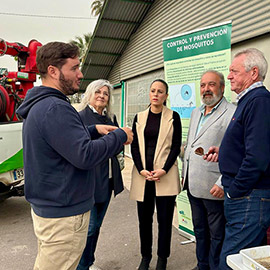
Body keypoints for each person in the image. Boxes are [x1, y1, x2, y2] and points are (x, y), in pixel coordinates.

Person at [16, 42, 133, 270]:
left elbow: (61, 141)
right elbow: (85, 155)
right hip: (63, 216)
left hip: (51, 210)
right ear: (53, 71)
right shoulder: (55, 108)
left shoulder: (42, 106)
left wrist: (93, 130)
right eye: (74, 68)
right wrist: (119, 136)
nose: (80, 74)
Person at [205, 48, 270, 270]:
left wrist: (235, 190)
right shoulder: (248, 101)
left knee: (231, 262)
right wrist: (223, 151)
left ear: (253, 73)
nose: (229, 75)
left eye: (234, 71)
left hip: (248, 198)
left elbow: (257, 158)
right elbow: (248, 144)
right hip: (247, 197)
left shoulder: (258, 101)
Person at [182, 70, 235, 270]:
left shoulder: (232, 113)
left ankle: (214, 267)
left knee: (217, 235)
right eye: (203, 85)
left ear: (222, 87)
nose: (206, 89)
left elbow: (235, 151)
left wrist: (223, 181)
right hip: (193, 185)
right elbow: (190, 145)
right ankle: (201, 265)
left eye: (211, 84)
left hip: (215, 187)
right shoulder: (196, 112)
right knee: (200, 230)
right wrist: (184, 174)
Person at [130, 79, 182, 270]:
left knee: (165, 221)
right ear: (149, 93)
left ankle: (162, 258)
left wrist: (164, 169)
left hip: (164, 176)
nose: (156, 94)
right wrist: (140, 168)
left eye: (160, 91)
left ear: (166, 96)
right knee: (144, 221)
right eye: (153, 90)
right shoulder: (140, 117)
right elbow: (134, 145)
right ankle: (146, 257)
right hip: (143, 177)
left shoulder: (173, 117)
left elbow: (176, 146)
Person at [76, 79, 124, 270]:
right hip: (89, 182)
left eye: (105, 94)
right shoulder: (80, 117)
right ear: (90, 94)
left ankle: (89, 263)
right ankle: (81, 266)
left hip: (108, 180)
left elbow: (118, 144)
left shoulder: (110, 118)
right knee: (89, 229)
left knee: (96, 229)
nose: (102, 96)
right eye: (98, 92)